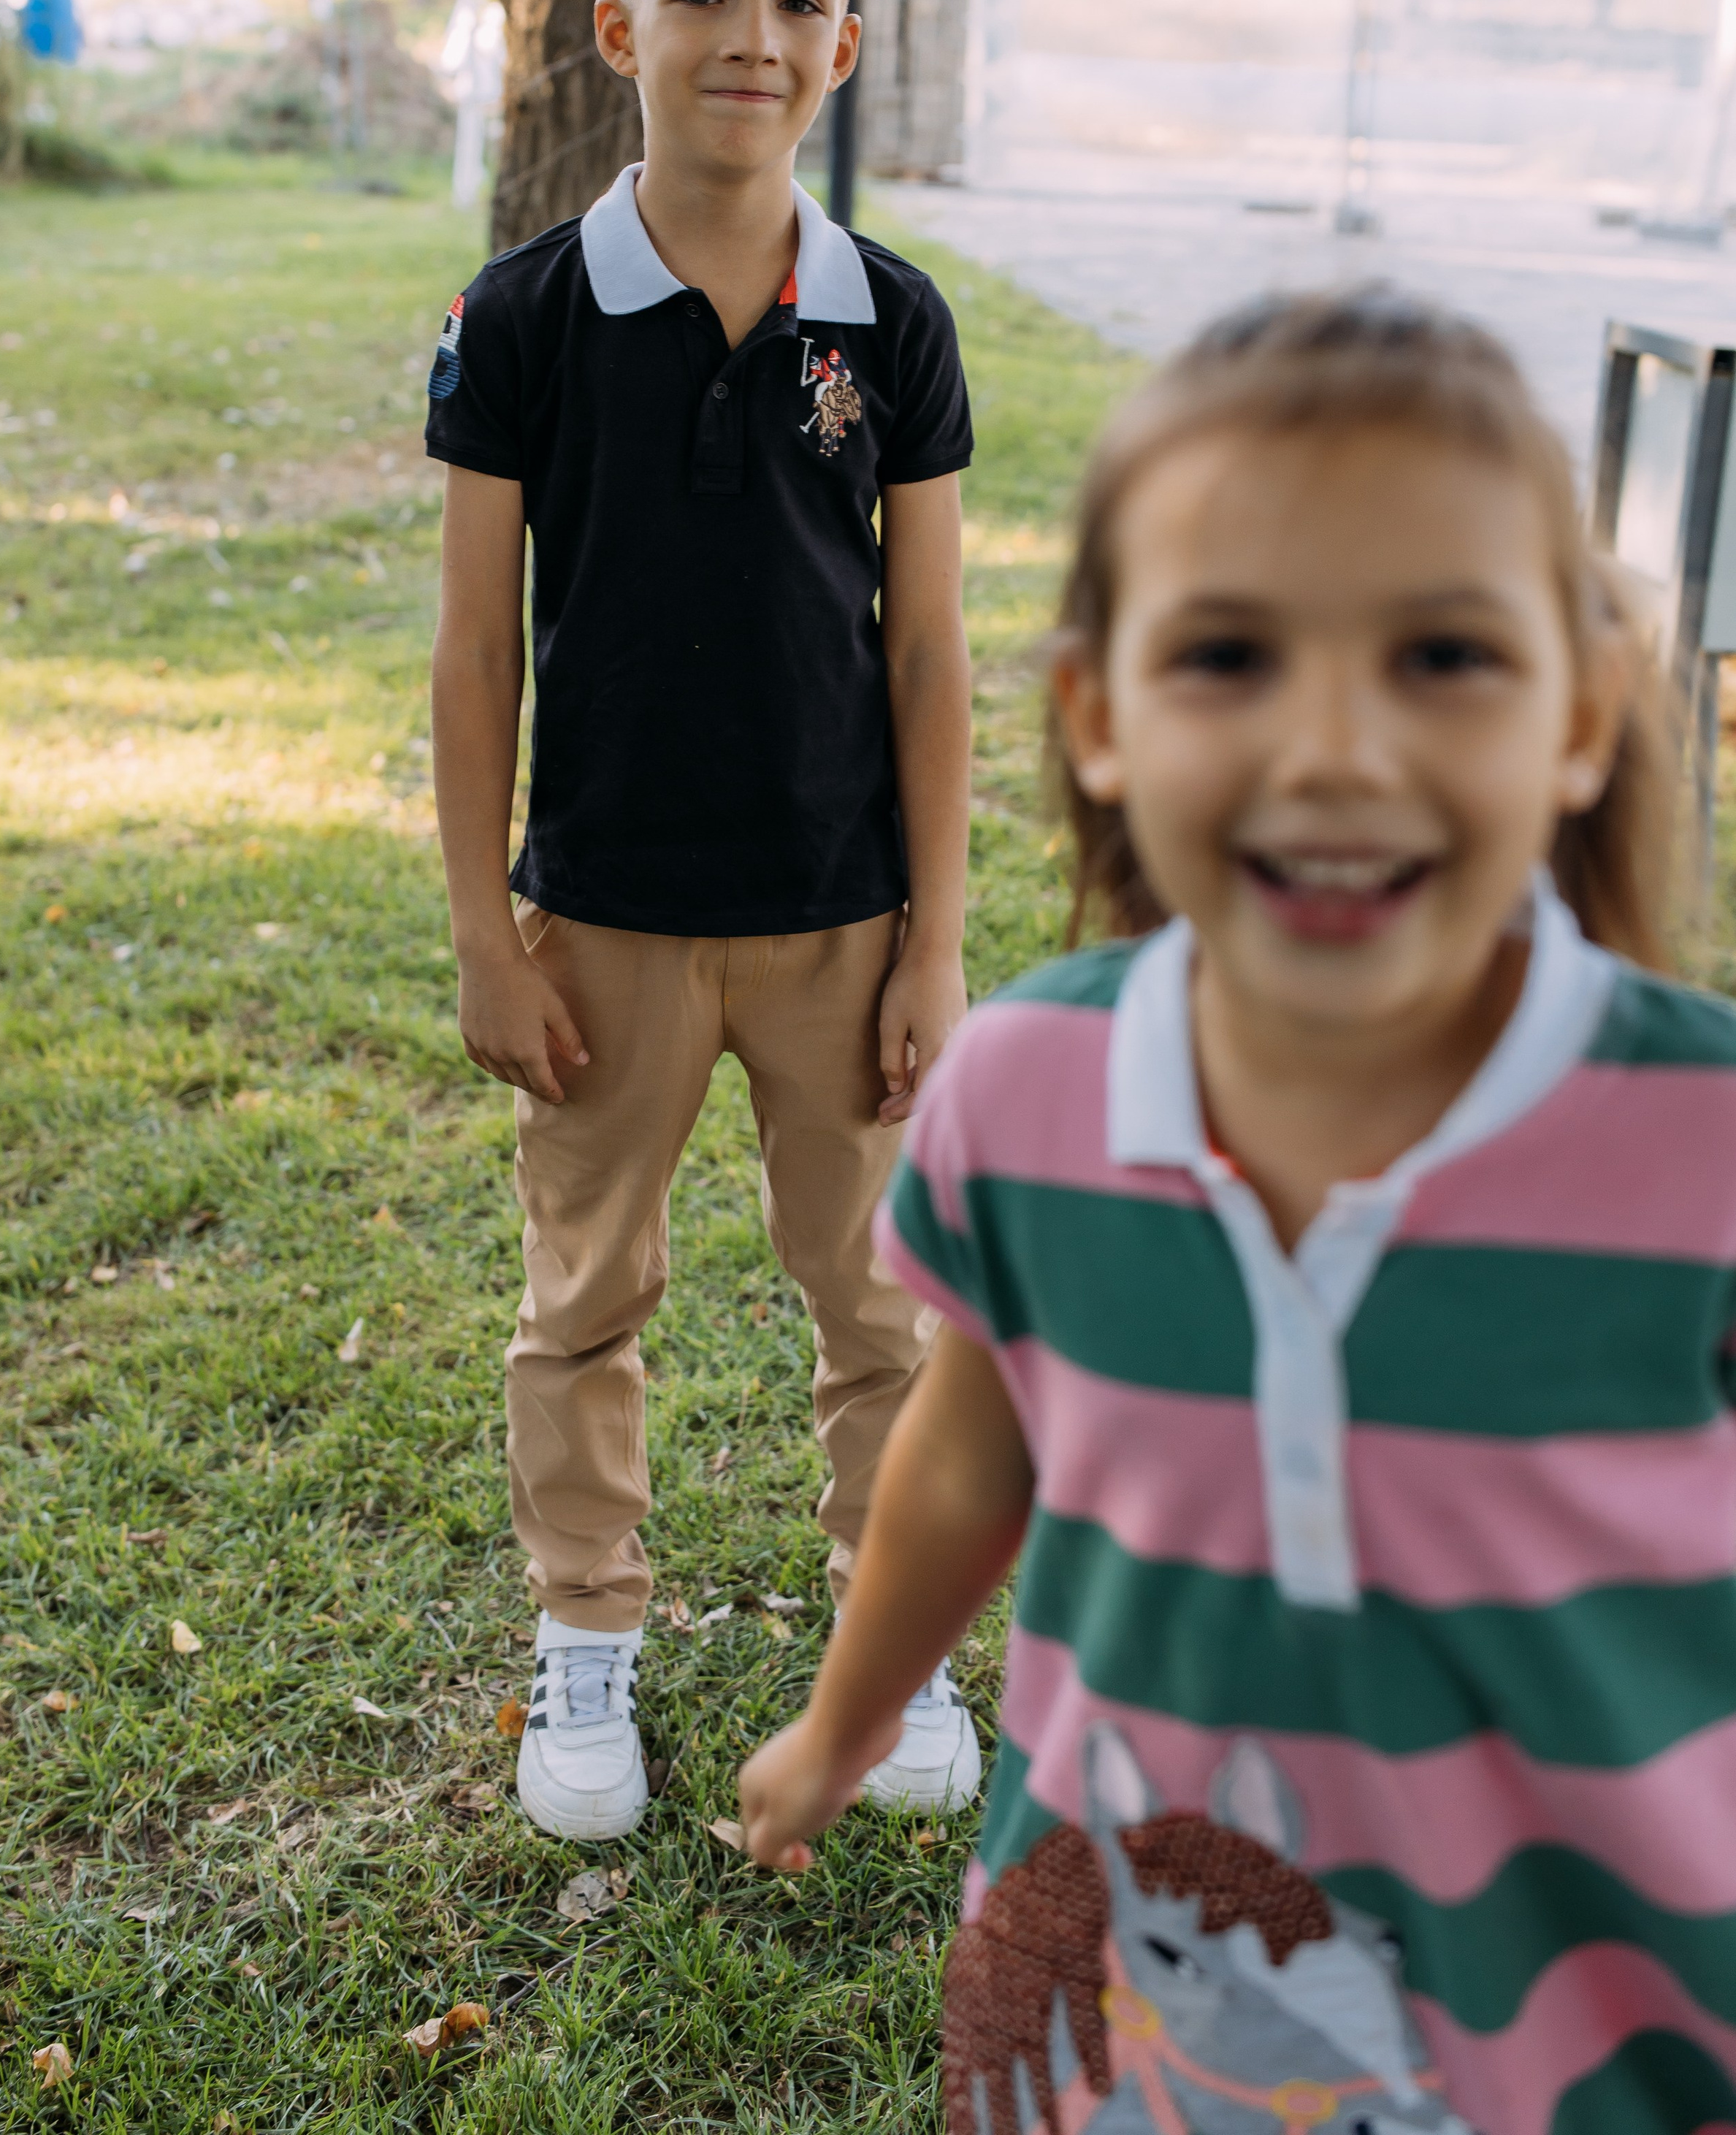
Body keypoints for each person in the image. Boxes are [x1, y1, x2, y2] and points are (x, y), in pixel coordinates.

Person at [739, 289, 1736, 2134]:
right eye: (1227, 658)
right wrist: (846, 1723)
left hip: (1600, 2029)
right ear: (1098, 716)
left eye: (1440, 654)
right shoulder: (1026, 1092)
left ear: (1581, 713)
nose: (1332, 750)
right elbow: (968, 1458)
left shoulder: (1698, 1138)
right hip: (1131, 2026)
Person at [427, 0, 982, 1844]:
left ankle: (889, 1647)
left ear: (843, 47)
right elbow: (478, 650)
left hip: (841, 916)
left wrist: (932, 939)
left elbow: (927, 658)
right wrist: (490, 929)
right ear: (614, 27)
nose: (752, 33)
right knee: (585, 1298)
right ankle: (589, 1639)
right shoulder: (523, 317)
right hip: (606, 921)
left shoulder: (891, 323)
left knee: (882, 1313)